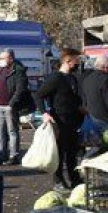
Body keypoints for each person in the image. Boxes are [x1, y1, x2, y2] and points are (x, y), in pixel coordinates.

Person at [34, 48, 84, 191]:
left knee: (73, 152)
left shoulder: (73, 78)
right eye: (76, 60)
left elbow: (72, 98)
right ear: (68, 60)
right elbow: (38, 95)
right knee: (60, 153)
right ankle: (58, 181)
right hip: (59, 121)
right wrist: (44, 113)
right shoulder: (55, 78)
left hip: (73, 121)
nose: (78, 63)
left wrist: (80, 107)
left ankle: (75, 179)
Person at [0, 49, 31, 165]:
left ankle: (13, 156)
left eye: (3, 58)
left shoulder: (18, 70)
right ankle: (1, 154)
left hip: (10, 106)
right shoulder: (3, 69)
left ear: (11, 58)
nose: (1, 60)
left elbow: (21, 89)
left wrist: (12, 103)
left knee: (12, 131)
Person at [81, 56, 108, 132]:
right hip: (104, 119)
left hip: (91, 116)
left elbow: (84, 99)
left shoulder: (87, 79)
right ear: (106, 67)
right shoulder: (105, 79)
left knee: (96, 141)